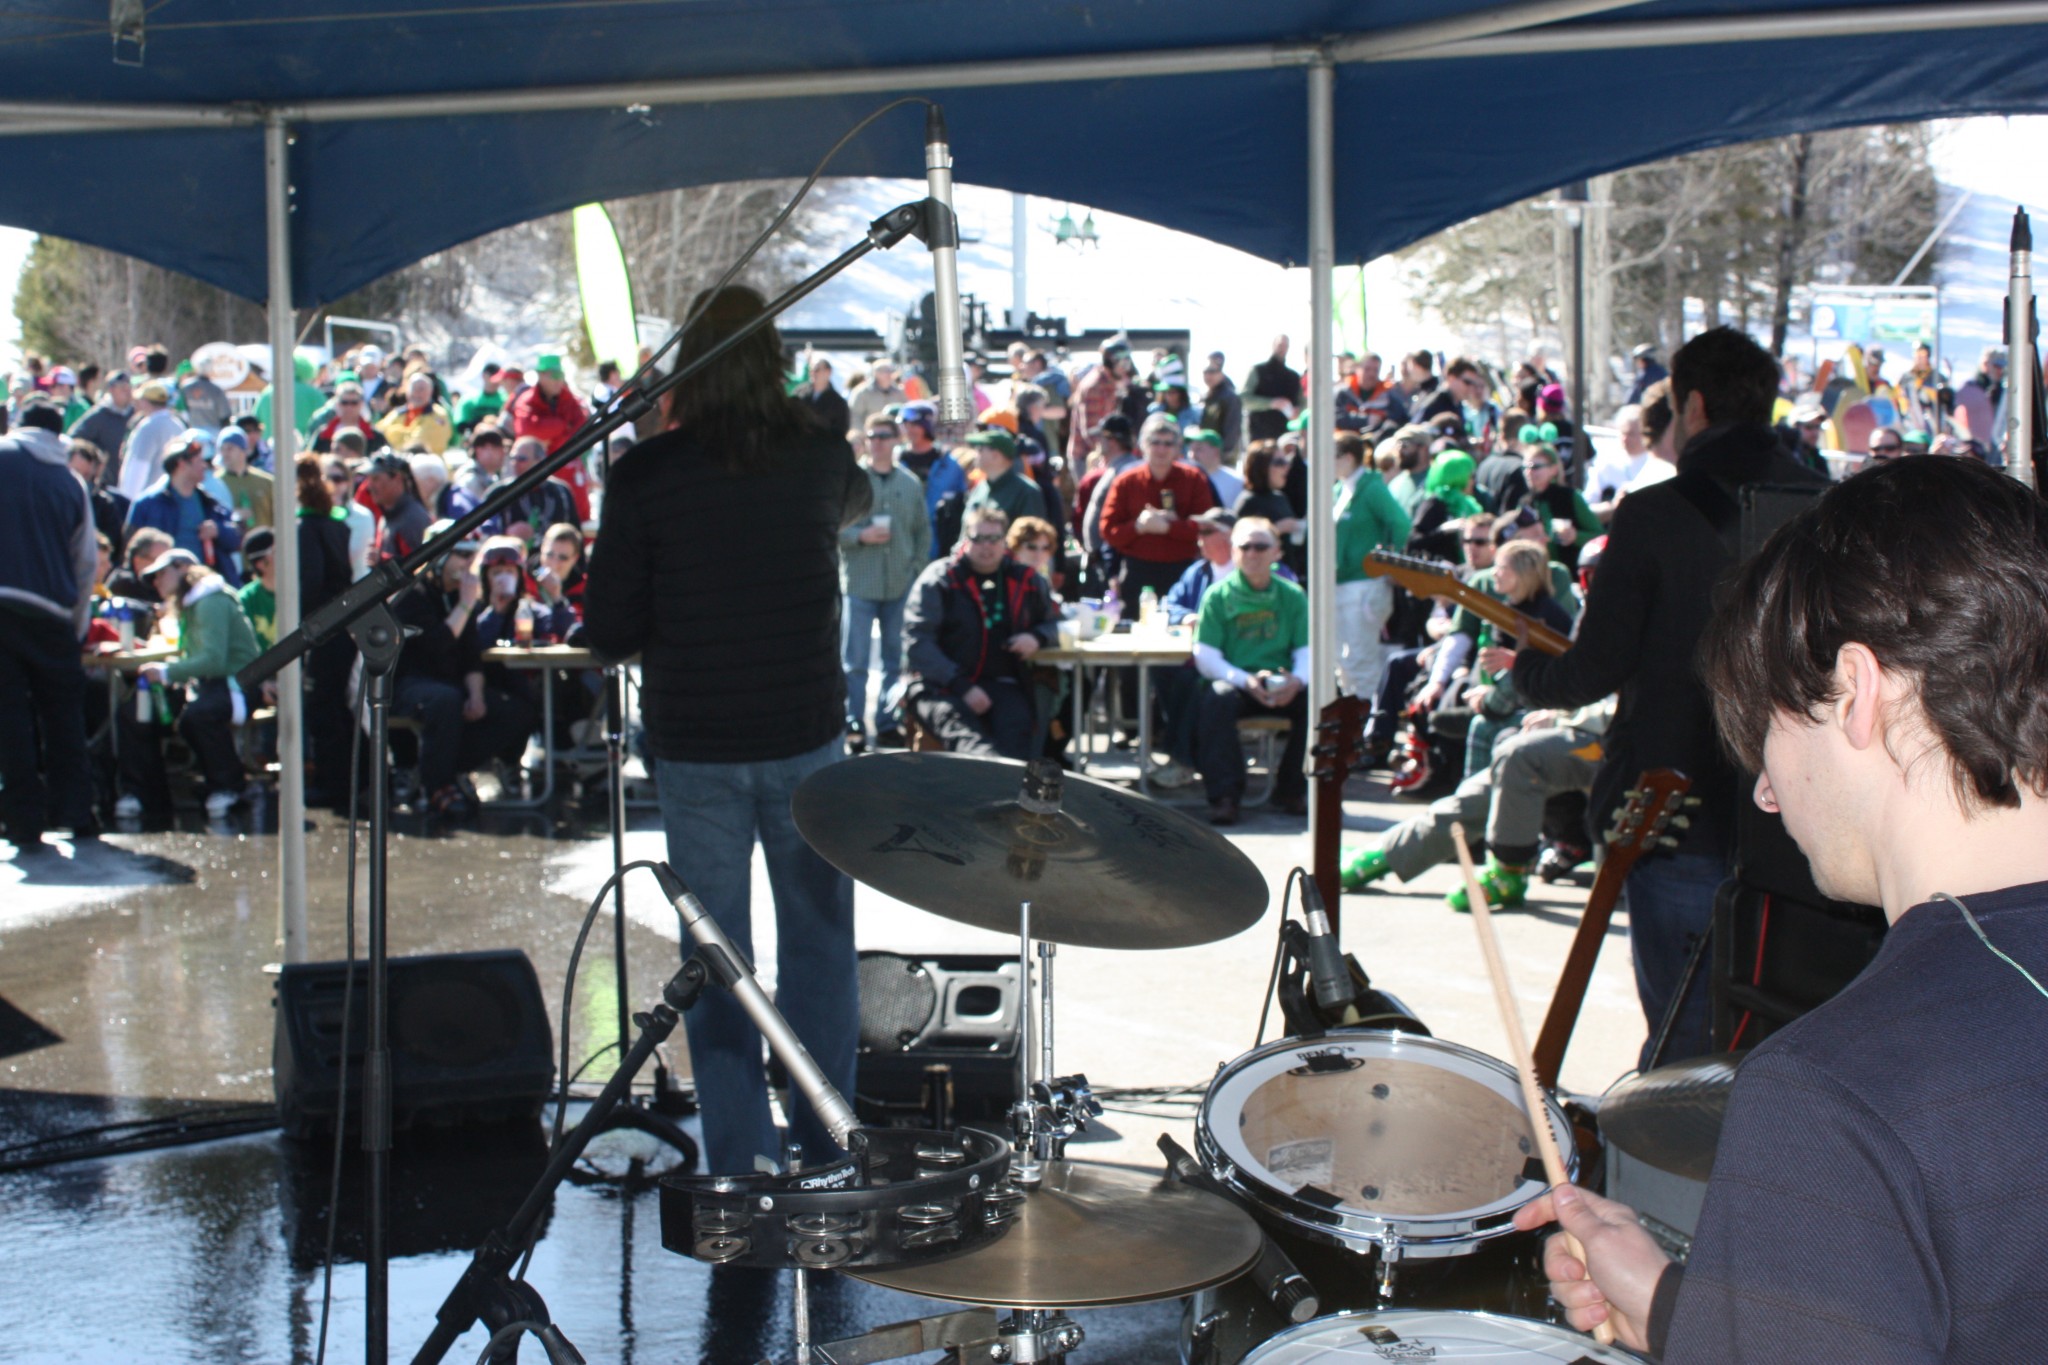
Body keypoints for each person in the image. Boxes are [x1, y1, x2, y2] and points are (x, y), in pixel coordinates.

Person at [1517, 456, 2048, 1363]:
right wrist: (1691, 1315)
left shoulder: (1835, 1095)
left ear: (1856, 690)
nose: (1764, 791)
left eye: (1765, 729)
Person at [583, 283, 868, 1176]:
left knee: (716, 961)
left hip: (698, 744)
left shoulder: (645, 475)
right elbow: (854, 502)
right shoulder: (821, 455)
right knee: (819, 956)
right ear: (775, 360)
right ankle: (829, 1152)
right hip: (806, 741)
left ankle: (739, 1164)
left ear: (682, 373)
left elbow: (609, 631)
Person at [1505, 326, 1828, 1066]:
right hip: (1805, 822)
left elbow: (1592, 669)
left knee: (1684, 1049)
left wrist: (1526, 671)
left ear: (1694, 404)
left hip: (1674, 810)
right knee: (1788, 1040)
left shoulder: (1651, 515)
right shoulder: (1828, 507)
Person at [1343, 696, 1611, 900]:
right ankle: (1390, 851)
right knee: (1508, 752)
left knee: (1522, 755)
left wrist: (1564, 718)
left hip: (1622, 741)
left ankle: (1510, 868)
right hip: (1594, 728)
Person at [0, 396, 98, 846]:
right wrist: (77, 626)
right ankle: (77, 813)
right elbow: (85, 563)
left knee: (11, 721)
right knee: (64, 718)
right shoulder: (70, 481)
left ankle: (23, 822)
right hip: (54, 613)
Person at [903, 505, 1059, 759]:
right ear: (966, 539)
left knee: (1017, 744)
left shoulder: (1025, 579)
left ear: (1005, 541)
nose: (986, 546)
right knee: (972, 748)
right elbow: (917, 642)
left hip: (1004, 684)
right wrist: (961, 685)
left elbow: (1054, 623)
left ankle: (1009, 794)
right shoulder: (940, 579)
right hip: (942, 686)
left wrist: (1037, 637)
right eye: (978, 538)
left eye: (994, 538)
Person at [1193, 516, 1310, 824]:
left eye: (1261, 546)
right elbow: (1205, 657)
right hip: (1239, 683)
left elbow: (1306, 650)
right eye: (1245, 546)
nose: (1253, 553)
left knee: (1324, 698)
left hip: (1283, 682)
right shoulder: (1217, 596)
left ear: (1277, 552)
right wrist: (1245, 680)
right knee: (1217, 698)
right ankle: (1225, 796)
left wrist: (1297, 681)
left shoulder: (1293, 595)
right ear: (1233, 551)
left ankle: (1293, 789)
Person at [128, 552, 261, 821]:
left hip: (236, 684)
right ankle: (148, 794)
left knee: (197, 717)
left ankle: (230, 786)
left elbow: (213, 660)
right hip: (213, 683)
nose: (156, 582)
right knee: (136, 712)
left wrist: (166, 671)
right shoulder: (193, 603)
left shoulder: (209, 599)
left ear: (183, 568)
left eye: (161, 573)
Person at [841, 413, 930, 751]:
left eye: (884, 435)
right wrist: (860, 535)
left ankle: (886, 720)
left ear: (896, 440)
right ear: (865, 440)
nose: (878, 441)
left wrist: (916, 567)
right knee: (856, 661)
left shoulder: (908, 482)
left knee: (895, 658)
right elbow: (833, 526)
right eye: (873, 435)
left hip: (898, 583)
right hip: (860, 582)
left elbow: (923, 529)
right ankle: (854, 721)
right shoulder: (852, 479)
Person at [1101, 414, 1217, 610]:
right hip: (1136, 571)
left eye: (1168, 444)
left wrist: (1170, 527)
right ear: (1143, 445)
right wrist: (1138, 527)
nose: (1161, 449)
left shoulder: (1194, 479)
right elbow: (1108, 530)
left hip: (1182, 569)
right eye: (1155, 442)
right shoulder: (1126, 481)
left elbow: (1207, 527)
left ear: (1177, 448)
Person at [1331, 430, 1412, 701]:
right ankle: (1353, 721)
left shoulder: (1372, 487)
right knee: (1341, 661)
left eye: (1332, 456)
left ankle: (1370, 725)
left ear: (1349, 457)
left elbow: (1399, 522)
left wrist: (1390, 563)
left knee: (1361, 658)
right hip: (1339, 583)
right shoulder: (1337, 489)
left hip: (1365, 584)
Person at [126, 433, 244, 585]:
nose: (204, 466)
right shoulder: (147, 505)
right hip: (162, 586)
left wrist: (218, 531)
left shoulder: (209, 502)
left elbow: (237, 539)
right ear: (182, 464)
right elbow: (131, 549)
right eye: (199, 461)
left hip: (202, 586)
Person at [510, 354, 593, 520]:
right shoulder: (527, 401)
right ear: (541, 376)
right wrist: (563, 426)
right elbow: (527, 431)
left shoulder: (570, 400)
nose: (558, 381)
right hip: (538, 478)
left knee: (578, 519)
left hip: (570, 473)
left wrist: (551, 437)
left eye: (560, 376)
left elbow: (581, 431)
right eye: (553, 375)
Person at [1233, 439, 1306, 582]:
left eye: (1286, 461)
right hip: (1261, 580)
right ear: (1262, 467)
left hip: (1287, 574)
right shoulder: (1248, 502)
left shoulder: (1280, 497)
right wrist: (1277, 529)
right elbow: (1241, 544)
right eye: (1279, 463)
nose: (1286, 467)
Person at [116, 379, 187, 502]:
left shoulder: (148, 427)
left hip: (147, 500)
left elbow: (137, 469)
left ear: (145, 402)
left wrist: (126, 502)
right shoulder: (178, 424)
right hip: (172, 498)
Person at [500, 436, 579, 544]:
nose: (515, 463)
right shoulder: (500, 493)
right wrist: (506, 533)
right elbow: (485, 534)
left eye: (522, 459)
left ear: (539, 461)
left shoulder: (561, 493)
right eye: (513, 458)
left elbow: (575, 535)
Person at [961, 427, 1047, 526]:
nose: (975, 454)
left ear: (995, 455)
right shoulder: (979, 489)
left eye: (980, 449)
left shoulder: (1027, 492)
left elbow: (1031, 537)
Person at [362, 451, 432, 561]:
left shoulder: (413, 519)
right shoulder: (388, 513)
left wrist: (382, 561)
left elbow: (420, 568)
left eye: (376, 479)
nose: (369, 486)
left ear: (397, 478)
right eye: (369, 479)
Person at [375, 372, 455, 454]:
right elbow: (378, 433)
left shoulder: (438, 415)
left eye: (421, 389)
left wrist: (393, 432)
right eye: (413, 389)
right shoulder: (397, 413)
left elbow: (420, 444)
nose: (417, 393)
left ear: (430, 392)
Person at [216, 426, 274, 533]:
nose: (225, 453)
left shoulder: (267, 482)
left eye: (230, 448)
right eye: (222, 449)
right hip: (234, 547)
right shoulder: (216, 483)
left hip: (265, 545)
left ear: (243, 450)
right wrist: (233, 514)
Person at [70, 370, 134, 467]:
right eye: (122, 388)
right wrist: (96, 454)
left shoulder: (136, 413)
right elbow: (74, 437)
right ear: (112, 390)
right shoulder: (101, 414)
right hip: (106, 479)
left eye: (128, 387)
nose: (127, 391)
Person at [1197, 354, 1244, 458]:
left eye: (1212, 372)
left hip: (1222, 456)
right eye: (1205, 372)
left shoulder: (1230, 397)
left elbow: (1232, 430)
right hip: (1204, 454)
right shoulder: (1204, 397)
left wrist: (1222, 453)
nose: (1208, 376)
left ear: (1221, 374)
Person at [1184, 427, 1242, 507]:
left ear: (1215, 451)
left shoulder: (1236, 481)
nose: (1192, 455)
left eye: (1198, 449)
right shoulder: (1184, 479)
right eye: (1190, 450)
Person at [847, 358, 907, 431]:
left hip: (894, 436)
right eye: (885, 371)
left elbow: (905, 412)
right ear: (875, 373)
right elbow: (855, 416)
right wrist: (862, 434)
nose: (889, 374)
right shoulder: (862, 392)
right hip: (870, 435)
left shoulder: (899, 392)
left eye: (891, 371)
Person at [799, 357, 849, 436]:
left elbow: (840, 431)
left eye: (817, 370)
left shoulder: (838, 402)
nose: (813, 373)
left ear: (828, 372)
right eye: (811, 370)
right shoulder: (800, 393)